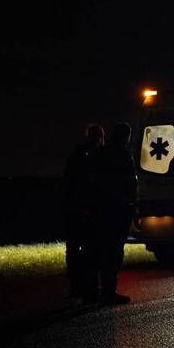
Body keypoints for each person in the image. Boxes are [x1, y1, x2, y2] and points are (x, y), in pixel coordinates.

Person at [92, 122, 138, 305]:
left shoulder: (102, 152)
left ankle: (97, 289)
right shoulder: (122, 154)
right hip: (118, 209)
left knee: (103, 249)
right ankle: (109, 292)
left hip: (103, 209)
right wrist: (132, 204)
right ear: (125, 136)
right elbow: (129, 184)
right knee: (113, 252)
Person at [62, 124, 105, 299]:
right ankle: (91, 289)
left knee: (75, 250)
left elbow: (68, 182)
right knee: (92, 250)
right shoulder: (100, 157)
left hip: (75, 209)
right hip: (90, 210)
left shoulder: (76, 155)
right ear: (100, 137)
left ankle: (76, 286)